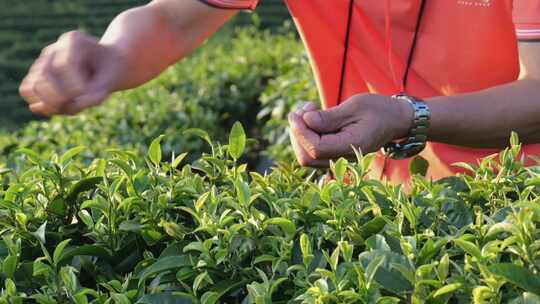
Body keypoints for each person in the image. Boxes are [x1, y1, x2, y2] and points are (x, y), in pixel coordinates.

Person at [18, 0, 540, 183]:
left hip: (512, 210)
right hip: (375, 208)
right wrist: (111, 56)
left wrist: (409, 116)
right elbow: (173, 20)